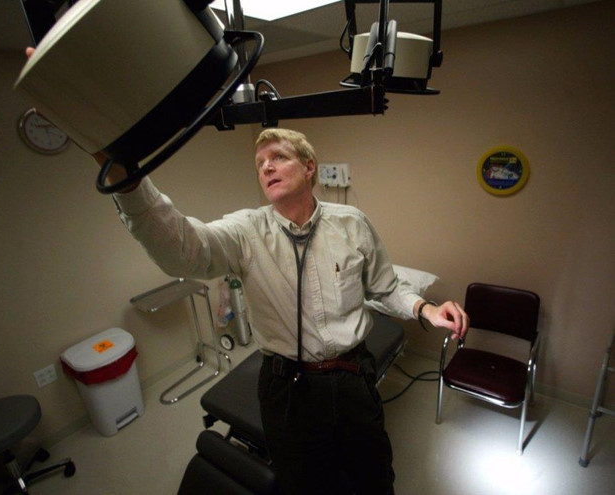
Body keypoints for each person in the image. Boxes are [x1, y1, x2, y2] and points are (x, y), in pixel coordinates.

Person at [109, 127, 468, 495]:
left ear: (309, 167)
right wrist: (127, 182)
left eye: (278, 157)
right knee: (302, 486)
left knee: (374, 478)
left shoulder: (351, 223)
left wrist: (426, 308)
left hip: (352, 376)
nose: (267, 167)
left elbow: (386, 287)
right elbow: (185, 250)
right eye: (260, 163)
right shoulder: (246, 232)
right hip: (286, 387)